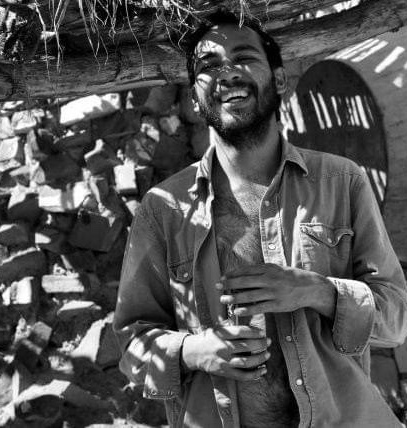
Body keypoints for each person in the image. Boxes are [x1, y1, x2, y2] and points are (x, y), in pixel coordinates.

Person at [113, 8, 407, 428]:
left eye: (245, 57)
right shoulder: (163, 209)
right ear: (195, 99)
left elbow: (396, 318)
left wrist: (316, 290)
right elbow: (132, 342)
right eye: (208, 66)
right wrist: (196, 351)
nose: (227, 73)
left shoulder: (342, 182)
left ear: (280, 79)